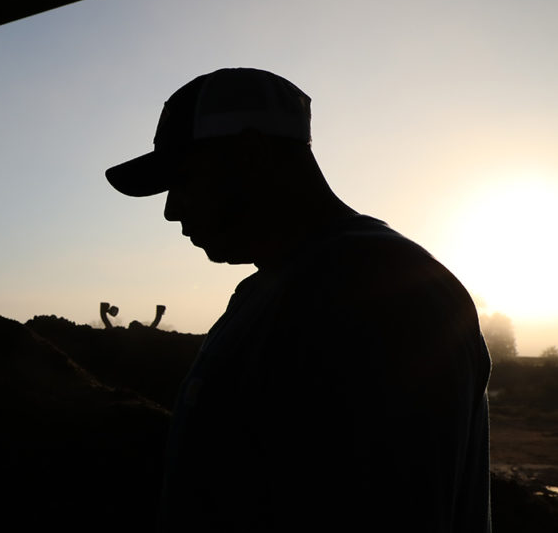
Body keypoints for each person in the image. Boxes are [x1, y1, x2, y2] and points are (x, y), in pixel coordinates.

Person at [105, 68, 492, 532]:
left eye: (182, 179)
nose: (171, 210)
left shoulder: (379, 289)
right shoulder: (280, 286)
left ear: (250, 155)